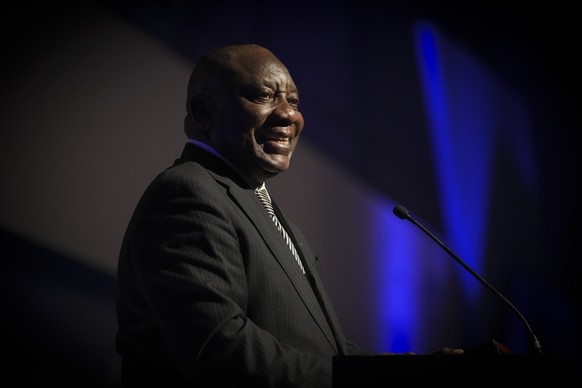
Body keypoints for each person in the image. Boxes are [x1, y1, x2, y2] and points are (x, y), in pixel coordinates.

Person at [115, 43, 462, 388]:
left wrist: (410, 370)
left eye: (293, 101)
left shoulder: (274, 218)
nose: (288, 115)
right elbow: (218, 347)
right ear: (204, 112)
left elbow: (319, 349)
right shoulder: (187, 193)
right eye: (265, 95)